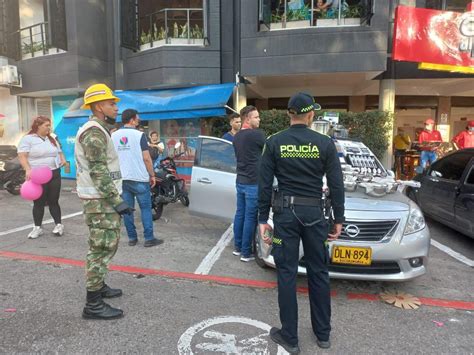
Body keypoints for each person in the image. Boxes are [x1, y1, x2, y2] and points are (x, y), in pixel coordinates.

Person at [258, 92, 344, 353]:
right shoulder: (325, 143)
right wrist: (339, 219)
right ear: (311, 115)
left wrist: (263, 219)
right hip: (316, 216)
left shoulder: (274, 142)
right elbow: (337, 185)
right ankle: (323, 335)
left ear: (288, 114)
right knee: (319, 272)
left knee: (286, 273)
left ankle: (290, 337)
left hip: (285, 216)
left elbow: (263, 185)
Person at [75, 83, 134, 320]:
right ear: (99, 106)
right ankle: (93, 304)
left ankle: (99, 287)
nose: (116, 108)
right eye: (111, 103)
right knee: (101, 248)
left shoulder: (100, 129)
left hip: (100, 199)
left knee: (105, 244)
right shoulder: (94, 132)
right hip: (100, 200)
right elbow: (98, 169)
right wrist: (116, 200)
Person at [112, 109, 163, 248]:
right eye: (137, 119)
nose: (139, 120)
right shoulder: (140, 135)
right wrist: (152, 175)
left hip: (122, 179)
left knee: (127, 209)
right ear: (132, 120)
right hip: (139, 178)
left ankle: (132, 238)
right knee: (145, 209)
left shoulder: (113, 136)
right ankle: (149, 238)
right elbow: (146, 158)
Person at [17, 116, 66, 239]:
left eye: (49, 125)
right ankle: (37, 228)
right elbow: (22, 156)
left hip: (54, 173)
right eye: (46, 125)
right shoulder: (28, 139)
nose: (49, 128)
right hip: (38, 175)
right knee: (38, 202)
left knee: (54, 201)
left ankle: (59, 225)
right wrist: (28, 169)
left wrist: (63, 160)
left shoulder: (52, 138)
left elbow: (59, 151)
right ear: (38, 126)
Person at [232, 105, 265, 262]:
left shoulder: (237, 136)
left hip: (241, 180)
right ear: (247, 119)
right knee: (250, 217)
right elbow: (269, 150)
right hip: (253, 182)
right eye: (256, 117)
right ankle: (246, 253)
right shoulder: (256, 135)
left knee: (240, 214)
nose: (259, 119)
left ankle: (238, 248)